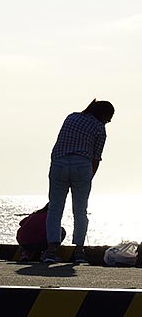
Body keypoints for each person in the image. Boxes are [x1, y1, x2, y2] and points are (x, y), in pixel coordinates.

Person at [44, 99, 114, 264]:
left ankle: (51, 251)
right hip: (82, 165)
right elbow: (96, 159)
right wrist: (89, 177)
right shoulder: (100, 128)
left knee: (55, 208)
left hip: (59, 162)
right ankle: (79, 251)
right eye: (109, 118)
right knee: (80, 210)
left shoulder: (72, 117)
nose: (109, 121)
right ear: (103, 115)